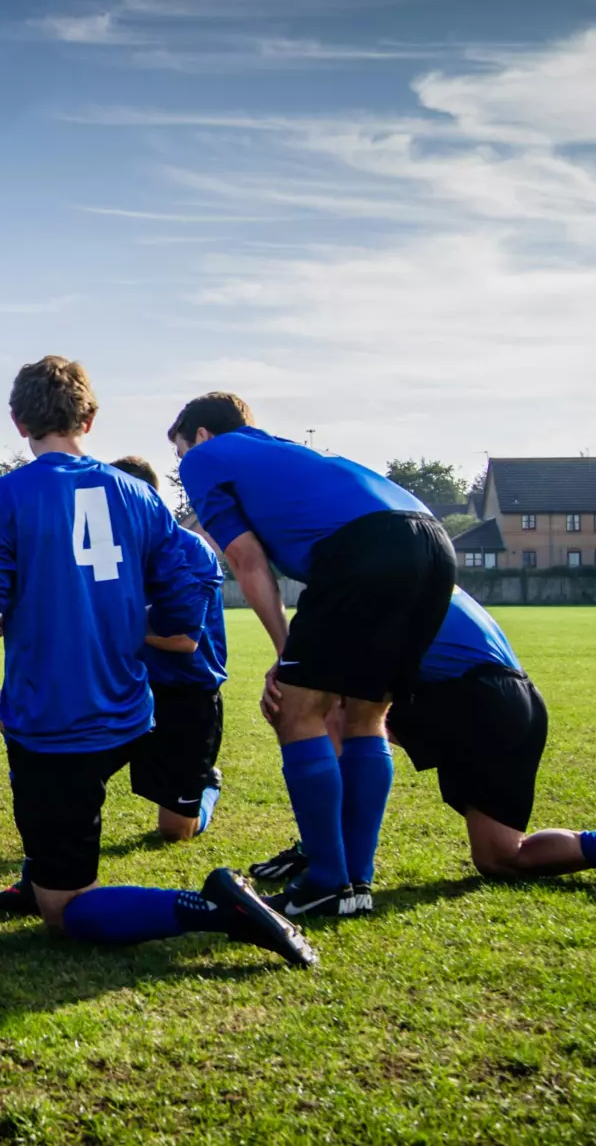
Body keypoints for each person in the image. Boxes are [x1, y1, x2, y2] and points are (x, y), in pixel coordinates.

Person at [0, 357, 315, 969]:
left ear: (18, 422)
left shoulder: (3, 496)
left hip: (57, 723)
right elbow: (198, 571)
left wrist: (1, 610)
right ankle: (41, 863)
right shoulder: (138, 496)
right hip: (131, 709)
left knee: (64, 909)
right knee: (12, 717)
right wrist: (153, 624)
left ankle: (212, 908)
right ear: (91, 419)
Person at [171, 392, 454, 919]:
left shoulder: (207, 457)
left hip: (365, 547)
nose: (184, 465)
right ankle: (355, 883)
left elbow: (246, 560)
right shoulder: (280, 453)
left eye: (181, 451)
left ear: (201, 436)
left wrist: (286, 650)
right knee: (366, 715)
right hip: (432, 541)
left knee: (296, 710)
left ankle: (326, 879)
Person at [251, 589, 596, 892]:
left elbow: (337, 688)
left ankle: (324, 856)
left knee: (322, 713)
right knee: (501, 858)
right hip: (518, 702)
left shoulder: (366, 579)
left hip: (471, 697)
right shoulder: (412, 565)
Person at [110, 456, 226, 843]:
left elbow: (184, 642)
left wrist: (119, 631)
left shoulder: (188, 552)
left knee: (175, 832)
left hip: (186, 691)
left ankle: (207, 787)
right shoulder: (110, 550)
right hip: (131, 686)